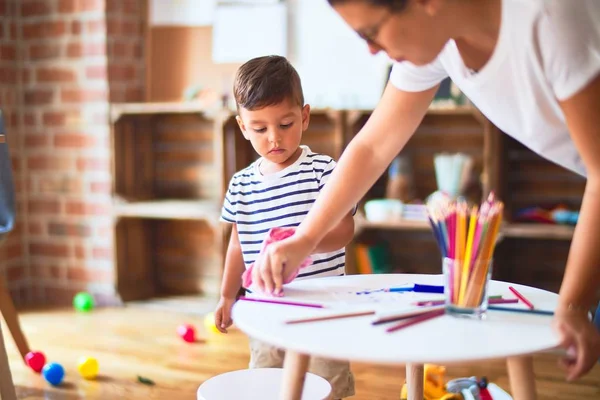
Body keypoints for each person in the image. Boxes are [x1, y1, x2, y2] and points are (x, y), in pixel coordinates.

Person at [250, 0, 600, 382]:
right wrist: (304, 238)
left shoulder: (549, 15)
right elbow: (373, 147)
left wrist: (573, 303)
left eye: (371, 32)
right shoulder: (440, 36)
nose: (370, 49)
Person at [213, 55, 356, 399]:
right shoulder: (241, 184)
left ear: (304, 117)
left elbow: (345, 230)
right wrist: (227, 294)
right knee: (267, 383)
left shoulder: (324, 171)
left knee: (328, 387)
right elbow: (238, 244)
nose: (274, 138)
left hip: (325, 309)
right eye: (260, 129)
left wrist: (302, 241)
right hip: (266, 309)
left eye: (286, 124)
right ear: (243, 127)